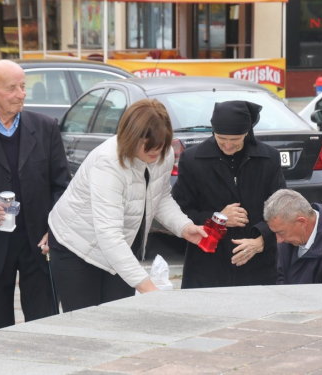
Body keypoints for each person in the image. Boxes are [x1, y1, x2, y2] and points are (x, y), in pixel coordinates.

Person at [48, 99, 206, 313]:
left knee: (118, 317)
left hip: (120, 241)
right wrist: (148, 288)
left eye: (161, 146)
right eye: (149, 147)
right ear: (131, 137)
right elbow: (108, 234)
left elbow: (160, 197)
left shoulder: (163, 153)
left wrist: (184, 226)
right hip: (78, 245)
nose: (156, 153)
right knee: (85, 324)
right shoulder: (108, 163)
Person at [0, 60, 71, 333]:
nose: (21, 94)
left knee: (45, 326)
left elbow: (62, 186)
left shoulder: (45, 127)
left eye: (23, 86)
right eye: (12, 88)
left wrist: (55, 229)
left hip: (38, 246)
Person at [172, 100, 286, 289]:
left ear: (247, 133)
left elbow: (282, 208)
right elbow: (179, 212)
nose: (227, 145)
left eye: (234, 140)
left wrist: (261, 241)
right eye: (221, 138)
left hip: (257, 264)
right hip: (208, 265)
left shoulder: (268, 158)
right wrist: (219, 218)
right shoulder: (193, 160)